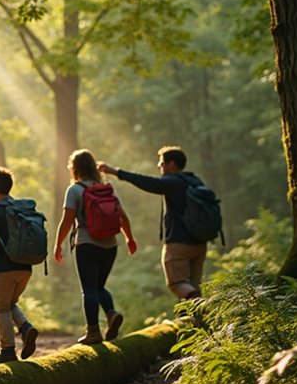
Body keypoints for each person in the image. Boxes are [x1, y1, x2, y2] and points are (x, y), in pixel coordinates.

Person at [97, 145, 207, 301]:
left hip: (179, 243)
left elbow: (146, 182)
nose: (159, 166)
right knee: (193, 286)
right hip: (200, 242)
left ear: (171, 164)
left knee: (177, 284)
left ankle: (200, 302)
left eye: (161, 163)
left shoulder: (173, 182)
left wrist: (115, 171)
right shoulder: (195, 181)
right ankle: (196, 322)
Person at [53, 150, 137, 344]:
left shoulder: (74, 190)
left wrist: (58, 245)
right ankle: (111, 313)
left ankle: (93, 332)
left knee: (89, 289)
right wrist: (129, 238)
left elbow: (67, 221)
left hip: (86, 243)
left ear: (75, 168)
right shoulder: (107, 188)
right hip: (110, 245)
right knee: (99, 287)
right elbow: (123, 217)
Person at [0, 167, 39, 364]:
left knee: (1, 309)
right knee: (10, 304)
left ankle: (7, 350)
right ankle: (25, 328)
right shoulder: (21, 208)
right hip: (26, 266)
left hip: (5, 268)